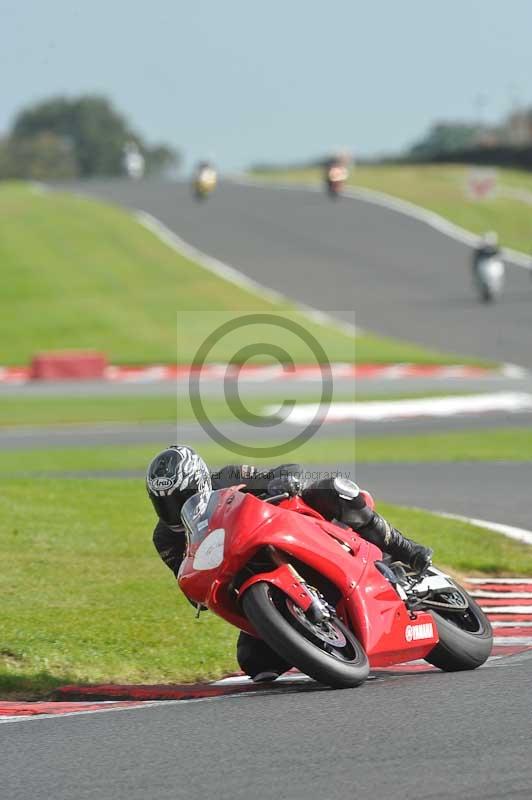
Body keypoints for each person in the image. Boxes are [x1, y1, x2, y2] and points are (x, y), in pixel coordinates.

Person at [146, 445, 433, 682]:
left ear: (200, 481)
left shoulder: (230, 476)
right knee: (254, 664)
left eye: (180, 498)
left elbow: (288, 469)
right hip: (246, 577)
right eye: (164, 503)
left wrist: (281, 482)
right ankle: (316, 639)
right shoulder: (165, 539)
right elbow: (187, 582)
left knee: (335, 489)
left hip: (288, 531)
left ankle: (406, 550)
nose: (172, 510)